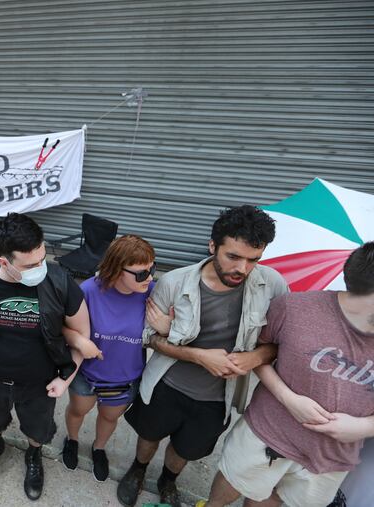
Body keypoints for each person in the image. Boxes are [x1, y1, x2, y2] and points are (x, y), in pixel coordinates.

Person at [117, 205, 289, 507]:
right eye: (233, 257)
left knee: (187, 449)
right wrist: (198, 356)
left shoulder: (272, 286)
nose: (243, 269)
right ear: (213, 246)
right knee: (149, 434)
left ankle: (168, 481)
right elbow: (146, 336)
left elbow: (280, 341)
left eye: (254, 260)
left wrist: (256, 357)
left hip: (216, 398)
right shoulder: (175, 282)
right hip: (166, 385)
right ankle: (138, 469)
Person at [198, 242, 374, 507]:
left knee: (277, 499)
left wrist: (364, 427)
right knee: (236, 482)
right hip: (268, 432)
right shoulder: (294, 308)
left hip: (332, 457)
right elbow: (257, 352)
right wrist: (289, 398)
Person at [0, 212, 91, 501]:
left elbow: (81, 338)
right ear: (4, 261)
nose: (41, 267)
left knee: (37, 429)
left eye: (42, 258)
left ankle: (33, 456)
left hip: (40, 383)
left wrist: (66, 379)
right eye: (30, 265)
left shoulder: (60, 282)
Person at [62, 234, 171, 482]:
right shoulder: (90, 290)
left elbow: (177, 331)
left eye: (152, 269)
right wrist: (80, 341)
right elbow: (64, 326)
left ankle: (99, 448)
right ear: (115, 269)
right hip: (87, 374)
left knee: (109, 417)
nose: (150, 277)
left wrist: (167, 327)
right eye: (141, 273)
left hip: (123, 378)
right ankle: (72, 439)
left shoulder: (154, 294)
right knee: (78, 411)